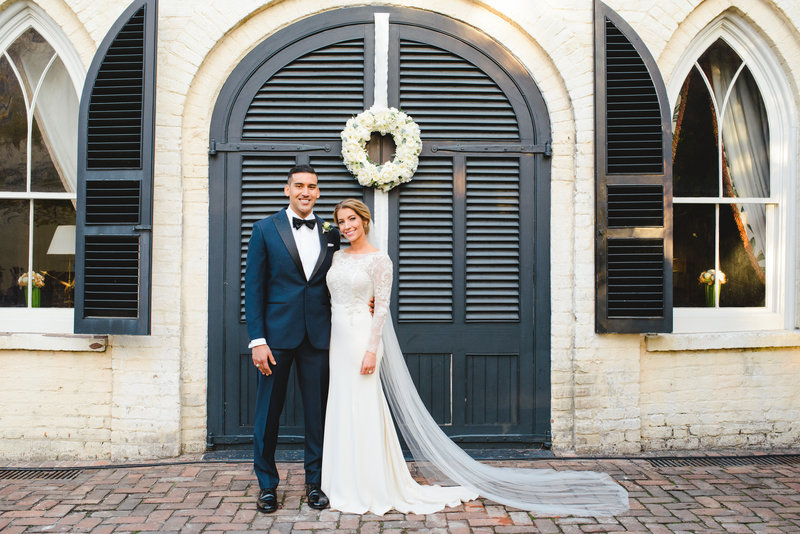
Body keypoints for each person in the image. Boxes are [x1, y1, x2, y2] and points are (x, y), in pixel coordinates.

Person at [322, 198, 630, 517]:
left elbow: (382, 307)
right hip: (337, 340)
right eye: (341, 221)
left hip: (362, 341)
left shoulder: (379, 260)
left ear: (365, 220)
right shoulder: (336, 256)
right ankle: (341, 481)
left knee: (363, 406)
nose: (346, 226)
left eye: (352, 219)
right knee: (341, 403)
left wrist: (372, 348)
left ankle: (369, 484)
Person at [244, 164, 339, 513]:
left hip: (318, 336)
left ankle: (315, 483)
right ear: (287, 189)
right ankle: (267, 485)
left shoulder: (331, 230)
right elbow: (253, 288)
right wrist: (258, 340)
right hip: (276, 339)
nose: (306, 192)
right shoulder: (264, 229)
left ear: (318, 192)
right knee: (268, 413)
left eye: (312, 187)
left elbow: (339, 276)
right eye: (299, 185)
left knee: (318, 414)